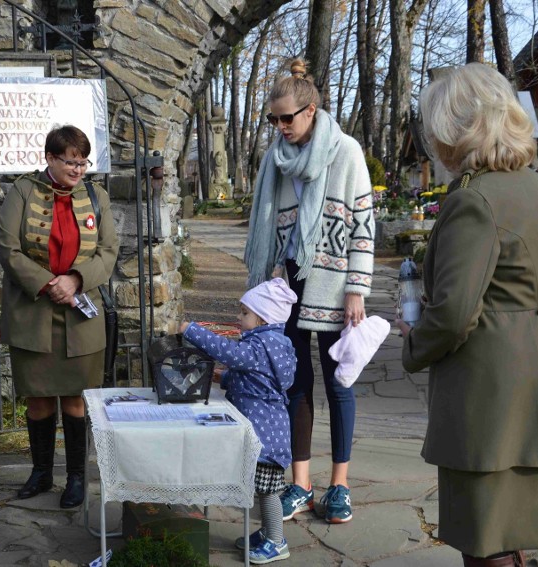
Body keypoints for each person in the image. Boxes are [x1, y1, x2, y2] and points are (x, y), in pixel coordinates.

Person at [397, 63, 538, 567]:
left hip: (489, 393)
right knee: (506, 530)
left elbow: (452, 314)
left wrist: (412, 343)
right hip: (537, 382)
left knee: (483, 540)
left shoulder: (475, 199)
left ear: (454, 127)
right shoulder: (537, 191)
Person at [244, 57, 374, 524]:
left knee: (339, 382)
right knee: (295, 382)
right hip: (289, 282)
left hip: (336, 284)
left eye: (287, 118)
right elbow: (272, 227)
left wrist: (357, 287)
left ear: (311, 110)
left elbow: (362, 224)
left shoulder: (347, 152)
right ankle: (300, 482)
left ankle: (339, 485)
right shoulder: (276, 162)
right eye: (273, 120)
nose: (280, 127)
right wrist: (272, 275)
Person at [0, 125, 118, 508]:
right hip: (33, 311)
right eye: (70, 162)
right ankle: (41, 472)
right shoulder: (23, 191)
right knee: (39, 399)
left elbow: (109, 250)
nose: (79, 169)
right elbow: (7, 246)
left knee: (76, 400)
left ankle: (77, 478)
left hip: (80, 315)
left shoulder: (96, 195)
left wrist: (77, 279)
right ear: (49, 158)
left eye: (83, 162)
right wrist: (49, 283)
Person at [180, 278, 298, 564]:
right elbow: (257, 380)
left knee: (268, 492)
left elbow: (230, 354)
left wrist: (191, 330)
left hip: (266, 437)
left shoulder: (261, 346)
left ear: (263, 318)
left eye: (244, 313)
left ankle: (276, 541)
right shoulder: (269, 343)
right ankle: (269, 531)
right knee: (262, 488)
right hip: (267, 430)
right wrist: (227, 378)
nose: (238, 317)